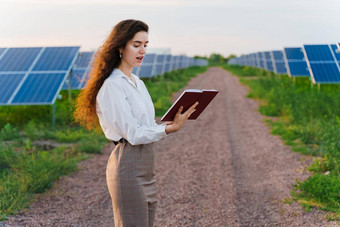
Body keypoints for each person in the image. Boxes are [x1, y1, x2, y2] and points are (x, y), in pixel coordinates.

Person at [74, 19, 198, 227]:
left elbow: (146, 124)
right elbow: (133, 133)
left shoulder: (137, 82)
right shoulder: (113, 85)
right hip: (127, 164)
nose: (142, 50)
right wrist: (169, 129)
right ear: (121, 47)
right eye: (136, 45)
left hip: (146, 164)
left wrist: (171, 119)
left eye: (145, 45)